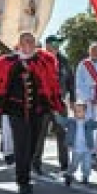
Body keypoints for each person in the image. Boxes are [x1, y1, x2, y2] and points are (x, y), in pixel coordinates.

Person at [0, 32, 64, 194]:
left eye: (31, 41)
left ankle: (25, 170)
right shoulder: (7, 62)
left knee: (32, 145)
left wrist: (56, 103)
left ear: (35, 44)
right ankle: (23, 180)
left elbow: (52, 83)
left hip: (38, 110)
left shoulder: (45, 61)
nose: (29, 44)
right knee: (21, 144)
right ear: (19, 44)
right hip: (16, 110)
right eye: (25, 41)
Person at [34, 35, 74, 174]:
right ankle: (35, 163)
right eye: (54, 44)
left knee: (62, 134)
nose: (57, 47)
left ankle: (65, 165)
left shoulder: (64, 61)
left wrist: (73, 99)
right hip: (42, 102)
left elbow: (71, 82)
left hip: (59, 103)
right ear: (47, 46)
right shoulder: (38, 59)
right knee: (40, 134)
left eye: (58, 45)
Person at [76, 42, 97, 165]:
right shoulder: (83, 64)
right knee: (88, 127)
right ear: (89, 52)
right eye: (94, 50)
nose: (96, 53)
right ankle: (87, 152)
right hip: (88, 101)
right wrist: (88, 98)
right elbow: (79, 83)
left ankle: (95, 152)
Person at [62, 102, 97, 187]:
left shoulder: (88, 122)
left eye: (79, 111)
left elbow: (96, 125)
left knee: (87, 165)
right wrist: (57, 115)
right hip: (76, 149)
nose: (77, 113)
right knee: (74, 165)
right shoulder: (71, 121)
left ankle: (85, 177)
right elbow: (63, 122)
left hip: (87, 149)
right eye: (75, 111)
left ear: (85, 112)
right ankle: (69, 174)